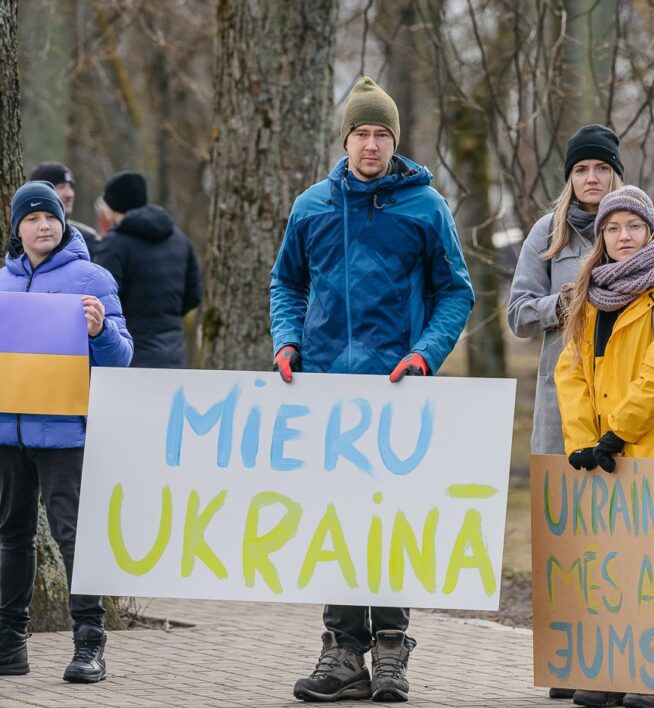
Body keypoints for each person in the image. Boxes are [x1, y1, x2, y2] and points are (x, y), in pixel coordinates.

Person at [269, 76, 474, 703]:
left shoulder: (425, 207)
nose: (371, 144)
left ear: (394, 143)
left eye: (382, 134)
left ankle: (390, 651)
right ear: (346, 139)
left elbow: (455, 290)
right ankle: (341, 652)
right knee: (337, 520)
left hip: (396, 391)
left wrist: (424, 354)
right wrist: (288, 341)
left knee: (386, 523)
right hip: (326, 392)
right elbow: (287, 284)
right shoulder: (312, 207)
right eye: (362, 132)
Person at [0, 181, 133, 683]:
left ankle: (90, 643)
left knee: (73, 537)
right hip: (6, 431)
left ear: (62, 224)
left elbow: (122, 356)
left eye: (50, 217)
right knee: (12, 536)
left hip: (65, 432)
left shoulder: (92, 278)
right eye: (32, 218)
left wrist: (98, 331)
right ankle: (8, 643)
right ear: (17, 228)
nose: (43, 225)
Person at [554, 186, 654, 708]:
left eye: (633, 227)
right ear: (601, 237)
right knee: (608, 561)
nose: (623, 237)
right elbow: (570, 371)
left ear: (651, 230)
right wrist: (583, 442)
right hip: (602, 451)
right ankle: (616, 668)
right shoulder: (591, 294)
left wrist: (617, 432)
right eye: (613, 228)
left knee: (653, 563)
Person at [506, 124, 624, 702]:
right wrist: (569, 302)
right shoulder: (545, 236)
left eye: (601, 168)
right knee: (565, 531)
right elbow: (518, 315)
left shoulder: (638, 229)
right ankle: (567, 659)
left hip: (626, 402)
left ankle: (615, 657)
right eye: (582, 169)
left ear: (616, 175)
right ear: (570, 177)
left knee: (615, 527)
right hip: (562, 401)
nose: (592, 178)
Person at [93, 171, 202, 368]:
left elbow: (102, 299)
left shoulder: (114, 244)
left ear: (111, 207)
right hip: (174, 356)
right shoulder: (179, 239)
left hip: (129, 357)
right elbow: (193, 296)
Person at [28, 161, 103, 255]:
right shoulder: (22, 236)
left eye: (71, 187)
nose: (69, 194)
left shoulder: (88, 239)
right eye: (61, 187)